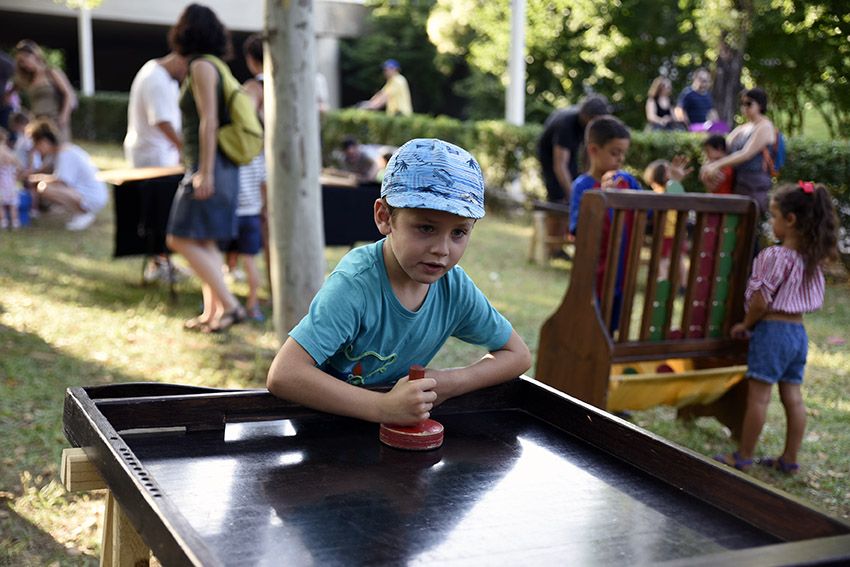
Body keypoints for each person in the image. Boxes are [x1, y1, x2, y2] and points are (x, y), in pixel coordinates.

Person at [266, 138, 532, 425]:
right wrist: (382, 408)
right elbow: (284, 374)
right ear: (384, 218)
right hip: (321, 431)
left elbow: (517, 355)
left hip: (388, 433)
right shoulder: (355, 285)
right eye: (426, 227)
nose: (442, 249)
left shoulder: (454, 289)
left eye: (458, 233)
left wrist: (450, 382)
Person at [715, 181, 838, 474]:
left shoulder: (774, 257)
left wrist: (746, 324)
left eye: (774, 217)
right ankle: (790, 459)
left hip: (772, 333)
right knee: (793, 398)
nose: (772, 223)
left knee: (758, 397)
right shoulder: (812, 261)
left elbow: (759, 302)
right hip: (798, 334)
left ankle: (743, 456)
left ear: (790, 220)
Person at [165, 3, 245, 333]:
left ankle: (231, 305)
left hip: (210, 164)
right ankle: (211, 314)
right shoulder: (217, 65)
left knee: (178, 238)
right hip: (224, 165)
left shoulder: (200, 66)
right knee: (205, 242)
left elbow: (209, 120)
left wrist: (205, 172)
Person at [124, 51, 189, 284]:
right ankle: (158, 262)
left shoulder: (162, 77)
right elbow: (161, 120)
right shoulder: (156, 78)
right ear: (180, 58)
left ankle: (163, 260)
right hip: (153, 158)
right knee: (158, 215)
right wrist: (184, 148)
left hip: (160, 155)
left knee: (162, 214)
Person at [219, 32, 267, 323]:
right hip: (251, 212)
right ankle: (253, 304)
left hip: (231, 211)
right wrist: (262, 207)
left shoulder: (231, 155)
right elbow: (262, 184)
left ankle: (221, 302)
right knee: (250, 259)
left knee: (222, 254)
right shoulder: (258, 156)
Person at [536, 95, 610, 260]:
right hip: (550, 157)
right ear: (586, 116)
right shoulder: (566, 125)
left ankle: (559, 247)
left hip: (567, 156)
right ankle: (553, 248)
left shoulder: (587, 124)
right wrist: (573, 193)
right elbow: (559, 165)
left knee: (570, 192)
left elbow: (588, 154)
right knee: (559, 198)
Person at [700, 88, 776, 217]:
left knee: (750, 225)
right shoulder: (742, 128)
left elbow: (746, 153)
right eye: (742, 104)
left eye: (749, 103)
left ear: (760, 105)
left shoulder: (765, 126)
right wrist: (707, 166)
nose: (744, 107)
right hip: (738, 183)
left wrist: (715, 166)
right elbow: (723, 150)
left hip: (755, 186)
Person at [26, 118, 107, 230]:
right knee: (44, 185)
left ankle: (83, 213)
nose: (36, 149)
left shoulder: (65, 154)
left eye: (36, 145)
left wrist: (37, 178)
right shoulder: (64, 151)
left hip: (92, 197)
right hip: (94, 195)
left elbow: (62, 180)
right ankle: (78, 211)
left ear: (44, 142)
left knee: (44, 187)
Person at [13, 40, 77, 141]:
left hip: (55, 120)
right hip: (37, 122)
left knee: (58, 151)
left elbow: (68, 94)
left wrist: (64, 117)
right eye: (20, 62)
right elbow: (15, 86)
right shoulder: (29, 79)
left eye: (24, 60)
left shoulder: (51, 72)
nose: (23, 65)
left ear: (34, 56)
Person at [643, 156, 692, 282]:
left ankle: (669, 283)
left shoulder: (666, 190)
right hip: (671, 233)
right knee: (675, 260)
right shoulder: (662, 191)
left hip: (668, 233)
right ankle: (678, 284)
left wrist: (676, 181)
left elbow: (678, 193)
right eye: (668, 171)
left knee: (666, 261)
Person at [0, 127, 22, 230]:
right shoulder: (9, 152)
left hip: (1, 183)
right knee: (13, 204)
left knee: (1, 205)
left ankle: (3, 222)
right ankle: (15, 222)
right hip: (11, 182)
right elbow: (19, 165)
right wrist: (15, 175)